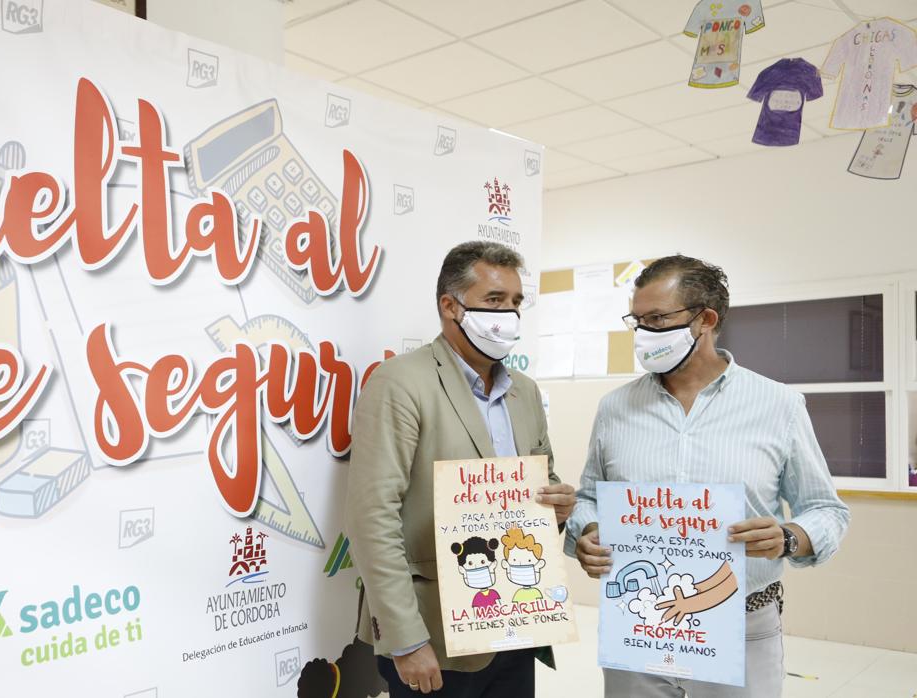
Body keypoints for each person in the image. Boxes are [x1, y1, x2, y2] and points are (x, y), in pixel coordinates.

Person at [564, 255, 850, 697]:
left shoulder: (778, 405)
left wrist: (789, 537)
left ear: (706, 320)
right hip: (639, 623)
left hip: (741, 622)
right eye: (636, 320)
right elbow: (587, 498)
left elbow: (827, 511)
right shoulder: (615, 409)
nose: (643, 334)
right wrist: (589, 530)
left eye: (657, 319)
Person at [346, 241, 576, 697]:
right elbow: (372, 515)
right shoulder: (400, 383)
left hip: (515, 618)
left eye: (515, 303)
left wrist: (559, 503)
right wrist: (406, 639)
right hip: (434, 633)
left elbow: (542, 481)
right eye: (494, 301)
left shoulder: (524, 391)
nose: (508, 315)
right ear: (450, 306)